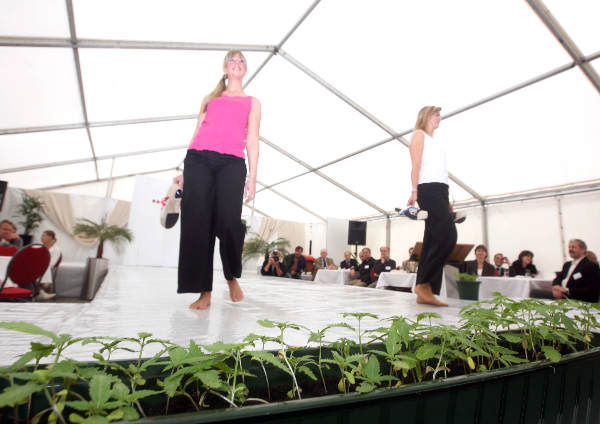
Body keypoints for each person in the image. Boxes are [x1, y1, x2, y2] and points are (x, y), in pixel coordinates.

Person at [174, 50, 261, 309]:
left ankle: (231, 275)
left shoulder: (252, 102)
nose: (236, 63)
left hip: (231, 163)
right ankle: (204, 292)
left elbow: (253, 139)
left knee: (229, 221)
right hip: (199, 159)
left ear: (245, 69)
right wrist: (184, 170)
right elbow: (197, 132)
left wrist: (253, 177)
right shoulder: (209, 98)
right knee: (198, 224)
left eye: (241, 60)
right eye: (232, 60)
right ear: (225, 67)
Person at [407, 106, 456, 306]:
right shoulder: (419, 135)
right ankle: (425, 284)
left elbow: (441, 171)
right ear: (426, 116)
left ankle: (423, 289)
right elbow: (415, 163)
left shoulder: (434, 142)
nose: (440, 118)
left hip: (441, 190)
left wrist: (448, 201)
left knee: (431, 239)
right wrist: (413, 191)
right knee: (448, 236)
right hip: (428, 189)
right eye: (437, 115)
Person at [39, 230, 61, 296]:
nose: (41, 237)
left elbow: (52, 263)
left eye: (44, 235)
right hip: (38, 268)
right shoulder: (39, 247)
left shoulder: (56, 250)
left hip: (45, 268)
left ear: (50, 237)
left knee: (45, 266)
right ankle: (40, 291)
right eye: (41, 235)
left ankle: (43, 287)